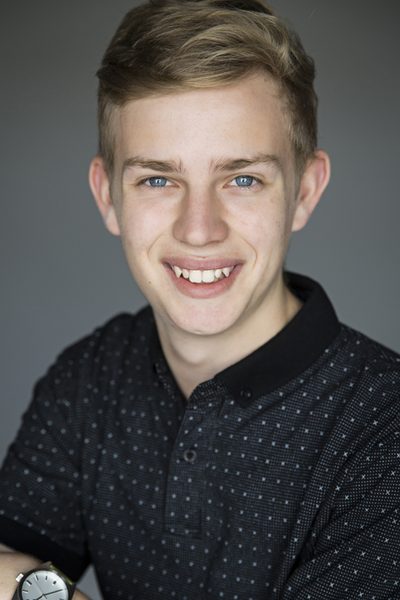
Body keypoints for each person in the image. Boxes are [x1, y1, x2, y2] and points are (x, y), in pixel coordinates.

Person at [1, 0, 400, 598]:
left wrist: (24, 586)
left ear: (304, 193)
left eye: (242, 179)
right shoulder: (88, 378)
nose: (199, 229)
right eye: (158, 179)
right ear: (109, 198)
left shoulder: (384, 429)